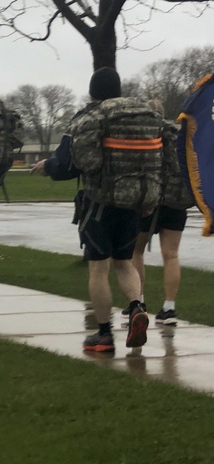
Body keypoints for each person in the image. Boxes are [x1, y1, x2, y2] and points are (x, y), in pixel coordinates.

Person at [30, 67, 149, 353]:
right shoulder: (137, 119)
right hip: (133, 202)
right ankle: (136, 308)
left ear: (92, 92)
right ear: (119, 91)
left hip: (98, 204)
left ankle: (104, 335)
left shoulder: (88, 118)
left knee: (99, 267)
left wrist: (48, 167)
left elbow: (69, 163)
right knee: (124, 262)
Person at [128, 100, 184, 327]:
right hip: (176, 200)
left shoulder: (146, 134)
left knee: (136, 252)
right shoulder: (178, 136)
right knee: (171, 255)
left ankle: (138, 302)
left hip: (149, 200)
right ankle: (169, 308)